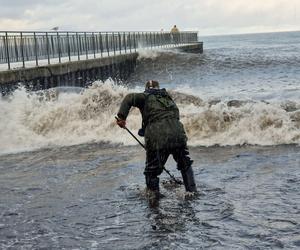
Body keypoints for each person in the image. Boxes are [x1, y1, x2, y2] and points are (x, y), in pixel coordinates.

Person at [116, 80, 197, 199]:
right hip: (178, 135)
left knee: (151, 171)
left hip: (157, 138)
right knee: (185, 164)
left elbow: (129, 98)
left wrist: (121, 117)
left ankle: (153, 197)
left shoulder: (145, 96)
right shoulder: (168, 98)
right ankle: (192, 191)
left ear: (146, 89)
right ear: (159, 88)